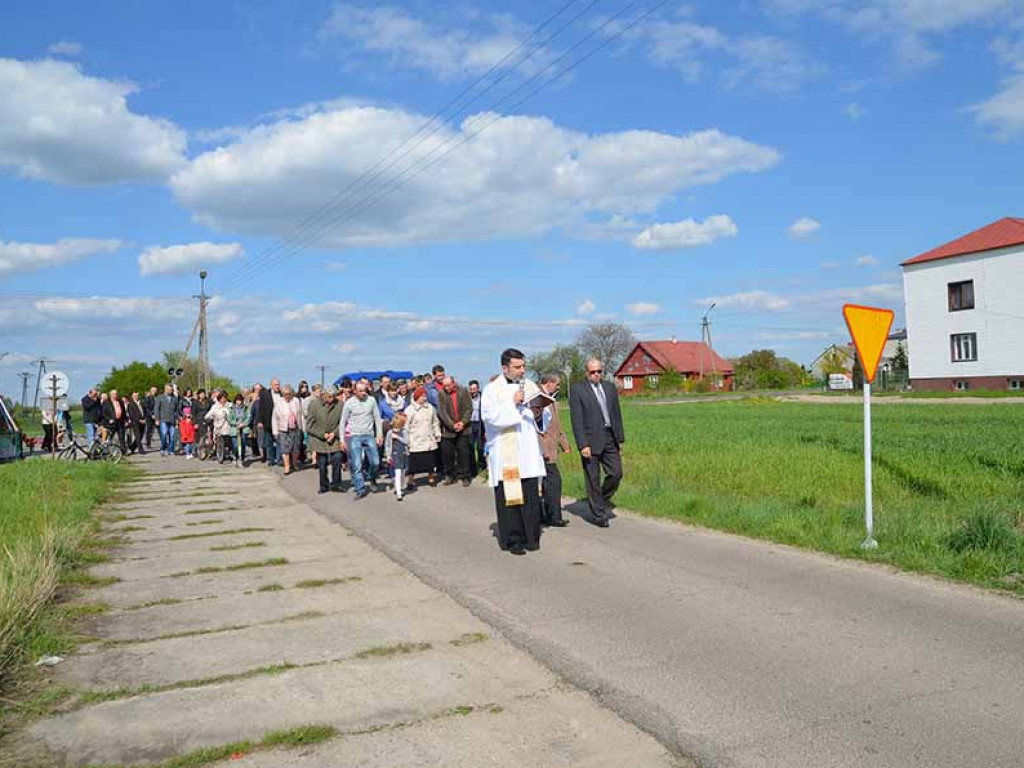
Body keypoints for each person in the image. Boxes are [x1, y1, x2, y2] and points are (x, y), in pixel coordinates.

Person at [482, 348, 546, 555]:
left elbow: (543, 416)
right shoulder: (492, 389)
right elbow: (489, 417)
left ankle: (531, 537)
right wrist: (512, 403)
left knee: (529, 495)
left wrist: (539, 414)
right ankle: (513, 539)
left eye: (524, 366)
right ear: (505, 367)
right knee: (510, 497)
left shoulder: (531, 386)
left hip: (526, 450)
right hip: (506, 452)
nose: (522, 371)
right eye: (517, 367)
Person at [569, 359, 626, 528]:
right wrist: (582, 444)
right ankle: (599, 515)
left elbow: (616, 413)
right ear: (586, 372)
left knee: (616, 473)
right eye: (593, 372)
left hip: (610, 437)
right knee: (593, 479)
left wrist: (619, 438)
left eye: (599, 371)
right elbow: (576, 420)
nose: (596, 375)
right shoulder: (578, 390)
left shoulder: (609, 387)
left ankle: (600, 498)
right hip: (590, 440)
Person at [537, 373, 571, 527]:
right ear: (549, 382)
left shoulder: (552, 400)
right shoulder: (537, 398)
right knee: (554, 481)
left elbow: (557, 425)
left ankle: (545, 513)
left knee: (547, 483)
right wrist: (543, 448)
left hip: (551, 448)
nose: (558, 387)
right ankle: (554, 516)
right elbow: (536, 427)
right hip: (542, 449)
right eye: (557, 384)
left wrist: (564, 443)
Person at [341, 381, 383, 500]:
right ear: (355, 391)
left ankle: (372, 478)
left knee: (375, 462)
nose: (363, 393)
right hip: (355, 436)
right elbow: (343, 422)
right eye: (360, 391)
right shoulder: (349, 403)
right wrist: (342, 440)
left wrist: (379, 435)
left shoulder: (371, 401)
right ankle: (360, 489)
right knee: (357, 464)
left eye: (364, 390)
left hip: (369, 434)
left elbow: (377, 418)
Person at [306, 385, 344, 494]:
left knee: (337, 459)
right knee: (322, 464)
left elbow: (342, 422)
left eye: (333, 397)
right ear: (324, 395)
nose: (331, 399)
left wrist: (334, 433)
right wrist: (323, 434)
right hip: (319, 439)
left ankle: (336, 484)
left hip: (334, 437)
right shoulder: (314, 405)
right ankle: (324, 485)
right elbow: (309, 425)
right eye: (329, 397)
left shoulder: (340, 405)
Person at [438, 375, 473, 487]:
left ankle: (465, 476)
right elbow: (442, 411)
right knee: (447, 454)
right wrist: (452, 425)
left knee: (464, 454)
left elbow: (469, 408)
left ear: (454, 383)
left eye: (448, 385)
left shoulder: (463, 391)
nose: (446, 388)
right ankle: (450, 475)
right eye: (444, 386)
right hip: (448, 429)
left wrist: (463, 422)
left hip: (464, 428)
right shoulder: (441, 393)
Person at [405, 387, 441, 488]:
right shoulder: (409, 410)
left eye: (425, 396)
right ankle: (410, 481)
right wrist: (407, 441)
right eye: (422, 396)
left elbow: (435, 422)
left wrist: (437, 433)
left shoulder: (430, 408)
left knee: (430, 461)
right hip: (415, 440)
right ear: (417, 397)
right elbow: (406, 426)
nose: (424, 398)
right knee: (413, 463)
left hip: (429, 439)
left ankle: (431, 478)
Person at [272, 384, 304, 476]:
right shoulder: (279, 402)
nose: (287, 396)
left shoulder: (296, 401)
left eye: (289, 394)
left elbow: (300, 415)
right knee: (285, 449)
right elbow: (274, 418)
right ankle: (287, 466)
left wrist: (302, 428)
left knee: (295, 448)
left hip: (295, 428)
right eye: (285, 394)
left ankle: (294, 463)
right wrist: (275, 431)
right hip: (283, 429)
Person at [386, 412, 409, 501]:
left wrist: (398, 437)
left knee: (403, 473)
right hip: (395, 454)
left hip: (403, 454)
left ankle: (401, 487)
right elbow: (387, 445)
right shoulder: (389, 433)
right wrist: (388, 455)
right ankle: (398, 492)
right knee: (398, 473)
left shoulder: (404, 431)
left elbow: (407, 441)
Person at [205, 392, 232, 464]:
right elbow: (208, 415)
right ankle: (218, 454)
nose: (223, 400)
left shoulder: (230, 405)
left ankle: (229, 454)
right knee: (218, 441)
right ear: (219, 399)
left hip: (228, 427)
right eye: (221, 398)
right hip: (218, 427)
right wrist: (209, 418)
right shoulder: (215, 406)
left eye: (224, 398)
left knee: (229, 442)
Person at [227, 393, 251, 467]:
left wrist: (243, 424)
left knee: (243, 444)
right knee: (235, 445)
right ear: (235, 401)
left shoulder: (246, 408)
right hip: (235, 429)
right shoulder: (231, 409)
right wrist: (236, 423)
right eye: (237, 400)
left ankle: (241, 458)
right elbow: (229, 419)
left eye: (240, 400)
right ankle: (235, 457)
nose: (239, 402)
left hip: (243, 428)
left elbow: (248, 417)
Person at [154, 384, 178, 456]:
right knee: (164, 435)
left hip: (172, 419)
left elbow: (176, 410)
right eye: (170, 389)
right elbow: (156, 409)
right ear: (165, 389)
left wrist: (176, 419)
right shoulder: (160, 397)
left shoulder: (174, 398)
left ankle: (171, 450)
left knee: (172, 436)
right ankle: (163, 448)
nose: (171, 391)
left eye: (172, 389)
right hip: (163, 419)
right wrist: (157, 419)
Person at [102, 389, 128, 454]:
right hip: (111, 423)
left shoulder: (120, 401)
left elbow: (124, 412)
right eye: (114, 394)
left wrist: (126, 420)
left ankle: (123, 451)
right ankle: (107, 451)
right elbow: (103, 413)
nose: (115, 395)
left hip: (120, 422)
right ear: (111, 395)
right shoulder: (106, 402)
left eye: (116, 394)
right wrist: (109, 419)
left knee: (122, 437)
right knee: (110, 438)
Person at [468, 380, 485, 476]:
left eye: (474, 389)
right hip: (470, 424)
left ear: (478, 389)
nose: (472, 391)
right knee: (470, 446)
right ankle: (473, 469)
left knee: (480, 446)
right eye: (470, 389)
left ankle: (482, 465)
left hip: (479, 423)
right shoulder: (466, 398)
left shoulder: (483, 397)